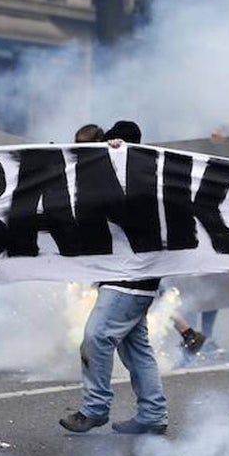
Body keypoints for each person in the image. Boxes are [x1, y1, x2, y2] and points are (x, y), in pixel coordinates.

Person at [59, 121, 168, 435]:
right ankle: (153, 415)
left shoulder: (144, 178)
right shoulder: (133, 176)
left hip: (132, 276)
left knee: (96, 337)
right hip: (128, 274)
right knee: (136, 349)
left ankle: (94, 409)